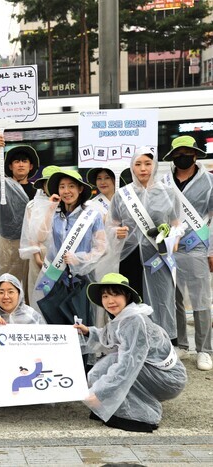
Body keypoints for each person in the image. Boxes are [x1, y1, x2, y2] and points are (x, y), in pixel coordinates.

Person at [75, 273, 187, 432]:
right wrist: (87, 332)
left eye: (116, 295)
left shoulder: (135, 320)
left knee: (116, 364)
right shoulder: (124, 316)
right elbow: (108, 337)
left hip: (167, 378)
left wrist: (100, 392)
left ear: (127, 296)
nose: (110, 301)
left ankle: (142, 416)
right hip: (154, 372)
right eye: (105, 296)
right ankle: (110, 407)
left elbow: (128, 365)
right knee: (107, 365)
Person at [109, 147, 182, 344]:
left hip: (158, 256)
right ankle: (133, 342)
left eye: (148, 164)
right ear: (132, 167)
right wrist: (117, 231)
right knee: (131, 298)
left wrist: (172, 238)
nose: (143, 169)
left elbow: (176, 223)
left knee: (161, 297)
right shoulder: (122, 194)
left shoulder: (167, 193)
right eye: (138, 164)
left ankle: (163, 342)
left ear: (155, 166)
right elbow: (112, 223)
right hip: (129, 256)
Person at [161, 136, 213, 371]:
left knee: (201, 299)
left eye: (187, 153)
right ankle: (181, 343)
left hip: (197, 246)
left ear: (195, 155)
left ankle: (205, 349)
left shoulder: (209, 182)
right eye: (178, 153)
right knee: (174, 299)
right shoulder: (163, 181)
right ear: (172, 157)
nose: (182, 157)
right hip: (169, 247)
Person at [33, 170, 106, 324]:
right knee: (56, 320)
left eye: (71, 186)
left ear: (80, 189)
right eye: (62, 187)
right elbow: (40, 238)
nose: (66, 191)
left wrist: (80, 258)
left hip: (82, 277)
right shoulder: (54, 213)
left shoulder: (93, 215)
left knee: (81, 321)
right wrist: (50, 209)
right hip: (56, 276)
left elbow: (101, 248)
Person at [0, 135, 40, 292]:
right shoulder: (2, 185)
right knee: (8, 287)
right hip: (8, 243)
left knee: (29, 287)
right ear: (10, 166)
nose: (20, 164)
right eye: (16, 161)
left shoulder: (38, 191)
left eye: (24, 161)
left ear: (31, 166)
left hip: (30, 244)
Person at [86, 167, 138, 327]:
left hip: (128, 257)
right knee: (106, 296)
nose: (102, 182)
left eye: (107, 177)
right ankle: (102, 338)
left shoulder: (127, 201)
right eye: (99, 178)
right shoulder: (91, 205)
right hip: (104, 259)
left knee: (123, 295)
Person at [19, 165, 60, 310]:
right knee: (38, 293)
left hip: (61, 255)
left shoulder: (66, 204)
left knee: (58, 295)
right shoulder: (32, 205)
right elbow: (31, 233)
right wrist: (36, 256)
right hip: (40, 256)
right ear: (42, 185)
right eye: (48, 182)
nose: (51, 186)